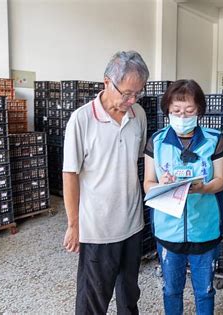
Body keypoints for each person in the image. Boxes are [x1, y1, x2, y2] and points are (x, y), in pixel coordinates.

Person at [62, 51, 149, 314]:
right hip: (98, 228)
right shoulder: (82, 119)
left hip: (132, 223)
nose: (131, 100)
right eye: (126, 93)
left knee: (129, 296)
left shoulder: (139, 115)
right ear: (106, 82)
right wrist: (73, 224)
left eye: (137, 94)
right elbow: (70, 174)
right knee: (93, 300)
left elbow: (135, 160)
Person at [143, 79, 223, 315]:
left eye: (189, 111)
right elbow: (147, 184)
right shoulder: (157, 141)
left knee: (205, 290)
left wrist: (202, 187)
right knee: (171, 289)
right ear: (167, 111)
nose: (182, 116)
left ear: (199, 110)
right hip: (168, 229)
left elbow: (221, 180)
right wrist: (163, 185)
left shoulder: (214, 139)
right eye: (176, 111)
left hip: (205, 228)